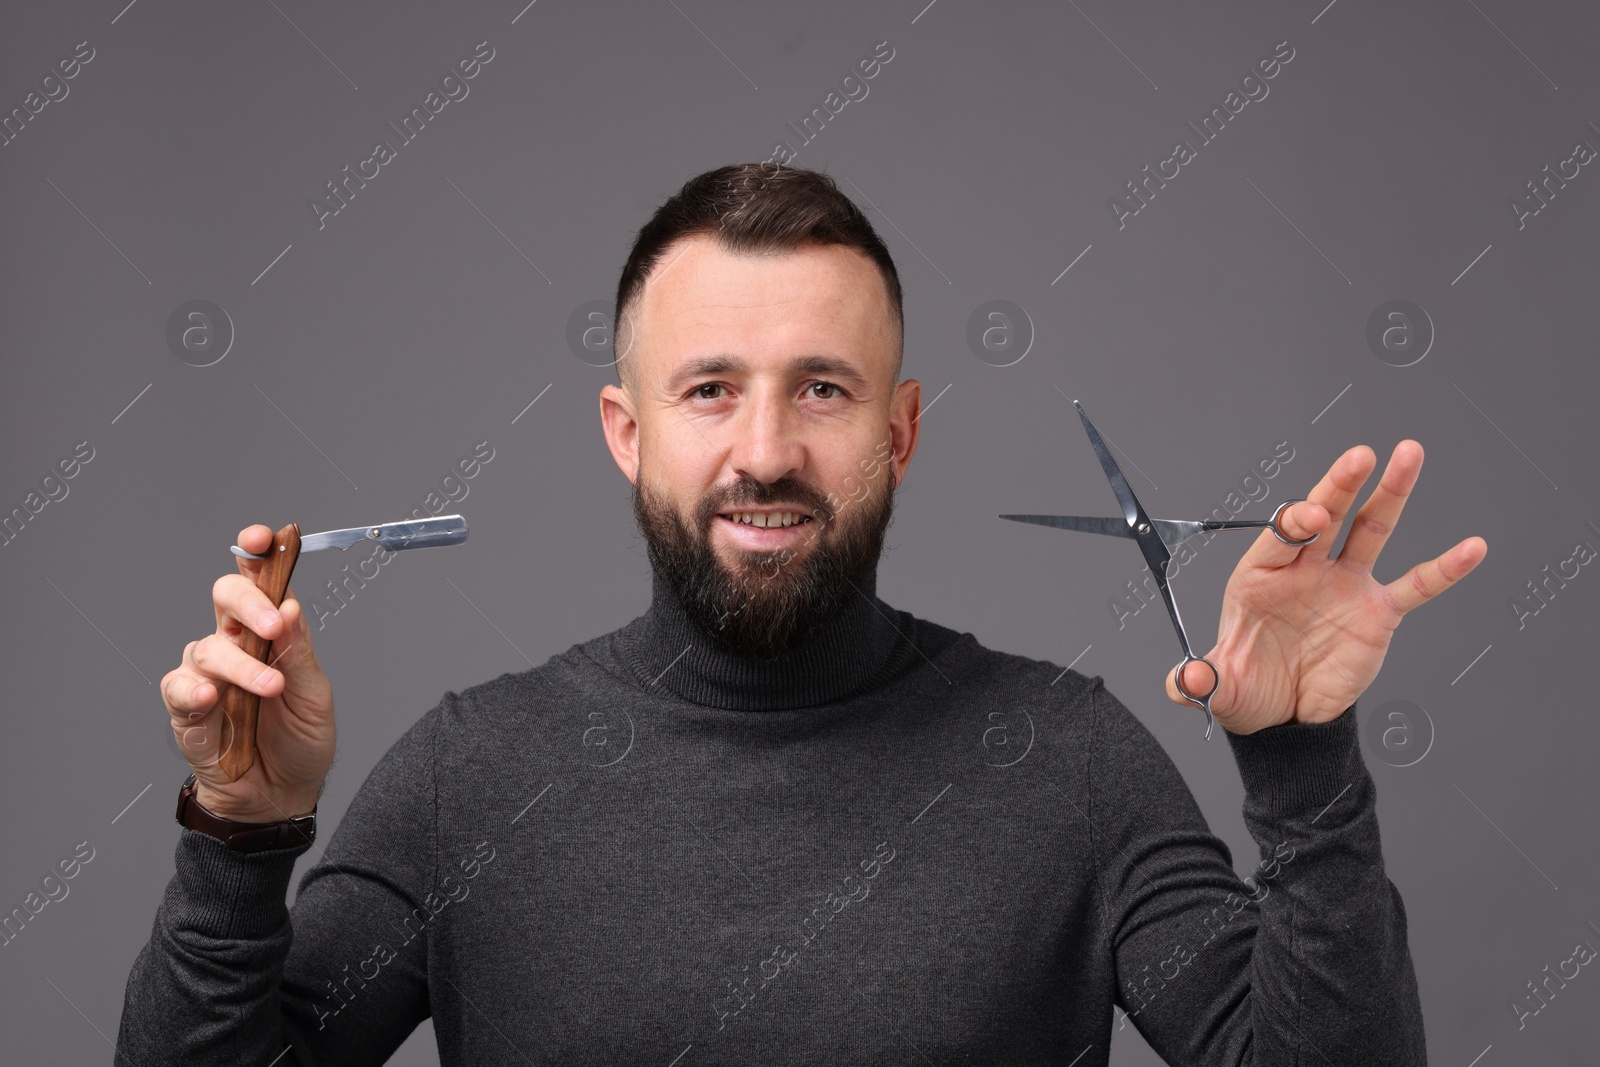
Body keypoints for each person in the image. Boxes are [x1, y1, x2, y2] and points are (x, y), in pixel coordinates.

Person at [118, 162, 1484, 1065]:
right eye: (710, 388)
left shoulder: (1067, 764)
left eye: (821, 389)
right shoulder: (467, 780)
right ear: (626, 432)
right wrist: (238, 840)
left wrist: (1305, 767)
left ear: (900, 431)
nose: (764, 450)